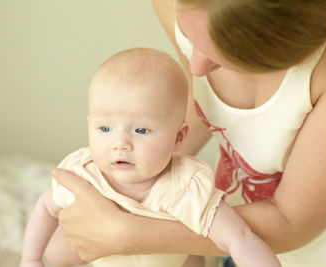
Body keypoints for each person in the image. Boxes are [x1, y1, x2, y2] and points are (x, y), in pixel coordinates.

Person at [51, 0, 326, 266]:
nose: (195, 68)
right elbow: (194, 107)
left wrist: (127, 232)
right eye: (189, 38)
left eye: (225, 58)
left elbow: (290, 221)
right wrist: (130, 185)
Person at [19, 48, 281, 267]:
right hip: (98, 257)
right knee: (58, 248)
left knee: (194, 260)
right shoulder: (83, 173)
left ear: (179, 138)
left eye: (141, 130)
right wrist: (31, 260)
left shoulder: (187, 186)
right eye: (105, 129)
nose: (120, 144)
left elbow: (239, 238)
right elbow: (45, 207)